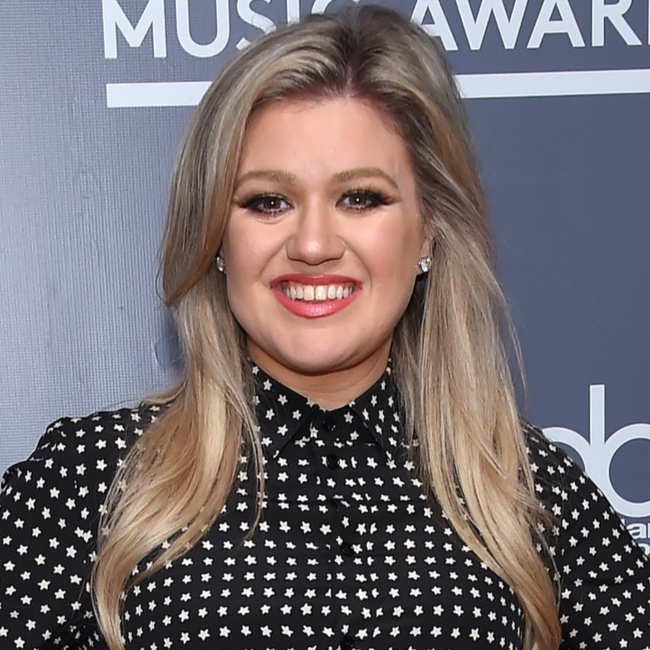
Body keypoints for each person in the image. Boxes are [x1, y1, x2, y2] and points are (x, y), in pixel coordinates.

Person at [1, 5, 649, 650]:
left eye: (360, 198)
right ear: (216, 235)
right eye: (268, 201)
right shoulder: (89, 479)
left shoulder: (529, 490)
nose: (313, 244)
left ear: (428, 230)